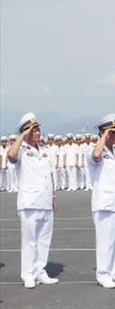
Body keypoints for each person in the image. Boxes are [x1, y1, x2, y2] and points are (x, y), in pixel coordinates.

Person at [7, 113, 59, 289]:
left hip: (45, 201)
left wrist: (53, 197)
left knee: (44, 239)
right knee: (29, 241)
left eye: (38, 129)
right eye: (34, 130)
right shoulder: (21, 150)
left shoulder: (45, 151)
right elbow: (11, 156)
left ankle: (40, 271)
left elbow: (50, 176)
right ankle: (28, 274)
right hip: (29, 202)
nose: (38, 133)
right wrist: (21, 135)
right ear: (25, 132)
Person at [87, 113, 115, 289]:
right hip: (104, 203)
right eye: (113, 132)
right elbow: (96, 156)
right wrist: (104, 136)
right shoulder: (95, 150)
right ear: (104, 133)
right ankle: (103, 274)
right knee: (105, 241)